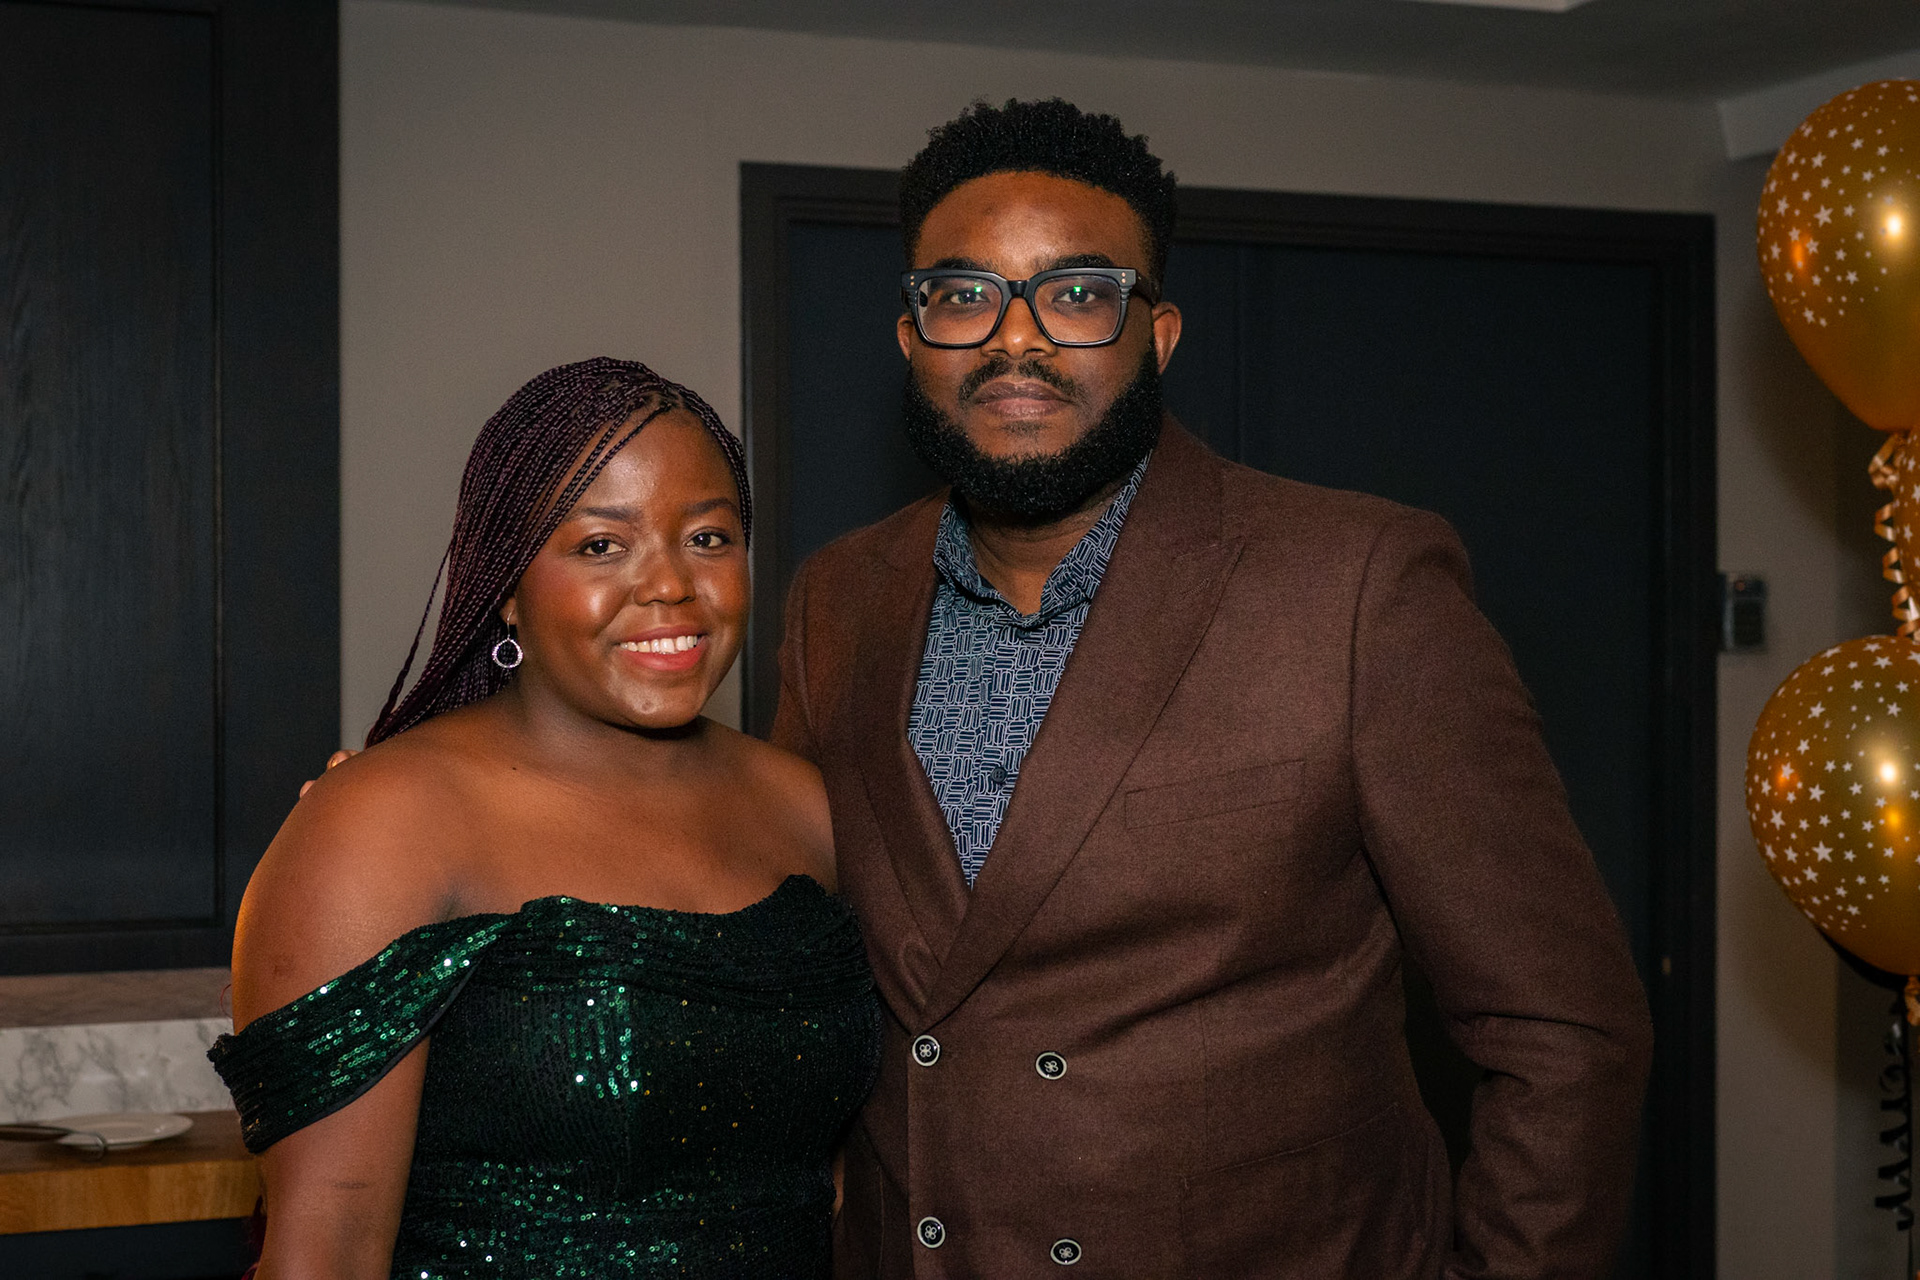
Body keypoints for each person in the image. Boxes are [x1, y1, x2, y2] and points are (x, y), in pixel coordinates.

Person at [771, 99, 1654, 1278]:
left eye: (1078, 293)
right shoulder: (837, 599)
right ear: (911, 334)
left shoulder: (1357, 588)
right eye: (965, 294)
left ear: (1161, 334)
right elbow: (802, 975)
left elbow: (1564, 1028)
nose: (1014, 339)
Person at [210, 358, 879, 1279]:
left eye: (709, 538)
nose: (671, 586)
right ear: (507, 585)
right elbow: (326, 1252)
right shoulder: (383, 822)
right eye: (601, 545)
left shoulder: (805, 806)